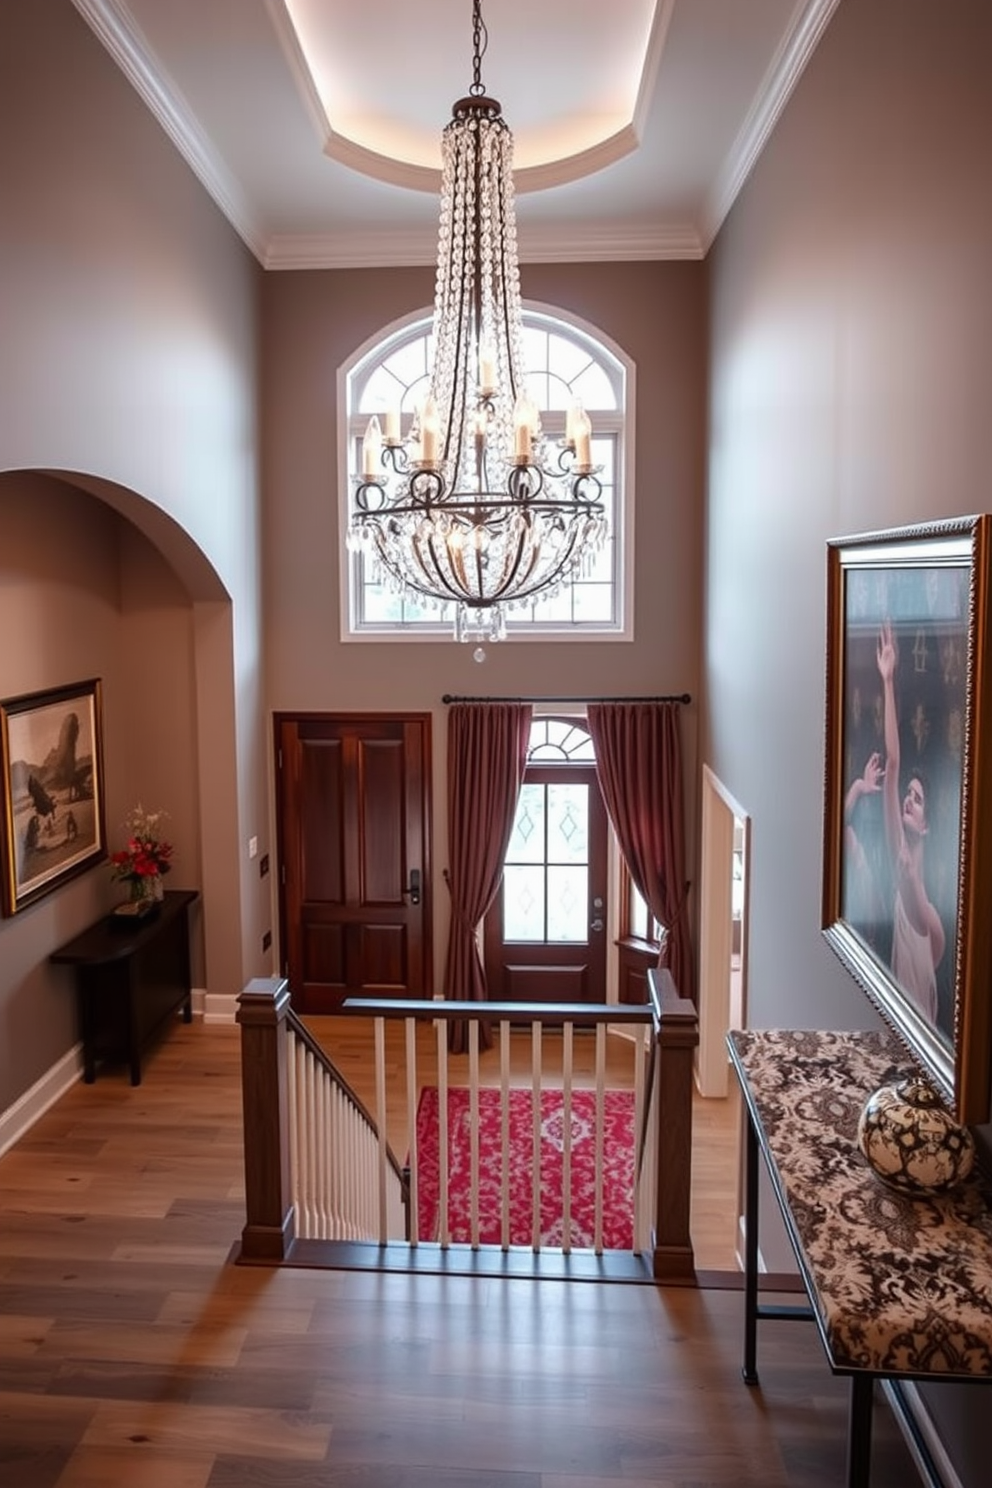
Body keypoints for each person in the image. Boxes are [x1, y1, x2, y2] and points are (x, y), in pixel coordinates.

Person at [876, 619, 944, 1022]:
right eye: (908, 794)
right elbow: (894, 764)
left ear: (927, 825)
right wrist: (888, 680)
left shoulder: (933, 920)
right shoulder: (898, 863)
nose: (908, 799)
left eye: (917, 800)